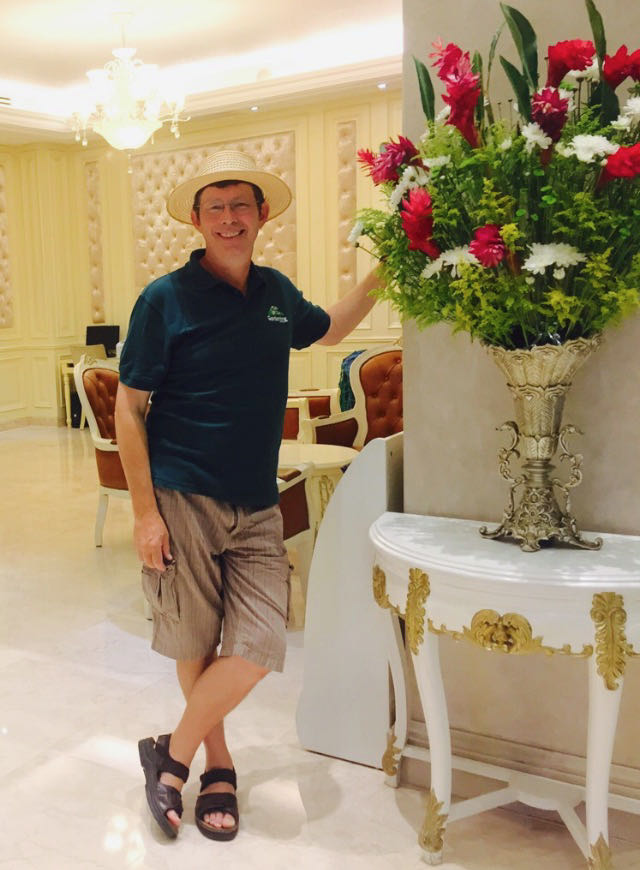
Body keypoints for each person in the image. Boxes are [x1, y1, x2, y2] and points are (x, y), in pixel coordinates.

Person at [115, 150, 382, 842]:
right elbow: (127, 407)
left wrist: (388, 271)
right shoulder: (164, 299)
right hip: (183, 494)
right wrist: (145, 511)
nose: (230, 219)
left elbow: (329, 328)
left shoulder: (274, 292)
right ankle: (218, 765)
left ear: (262, 215)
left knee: (261, 643)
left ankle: (168, 754)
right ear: (198, 222)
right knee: (195, 637)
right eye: (216, 208)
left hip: (257, 500)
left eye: (242, 206)